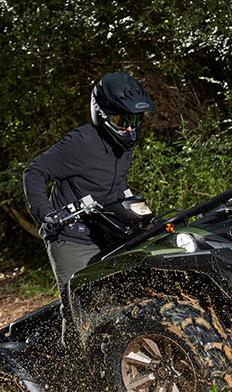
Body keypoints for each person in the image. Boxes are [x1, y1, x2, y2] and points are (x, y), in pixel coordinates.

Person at [23, 72, 155, 312]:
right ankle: (70, 349)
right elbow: (34, 171)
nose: (129, 128)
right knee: (80, 307)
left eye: (134, 121)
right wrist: (46, 213)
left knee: (126, 295)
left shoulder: (124, 145)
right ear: (102, 115)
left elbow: (112, 185)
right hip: (73, 239)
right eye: (121, 121)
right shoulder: (81, 143)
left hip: (108, 233)